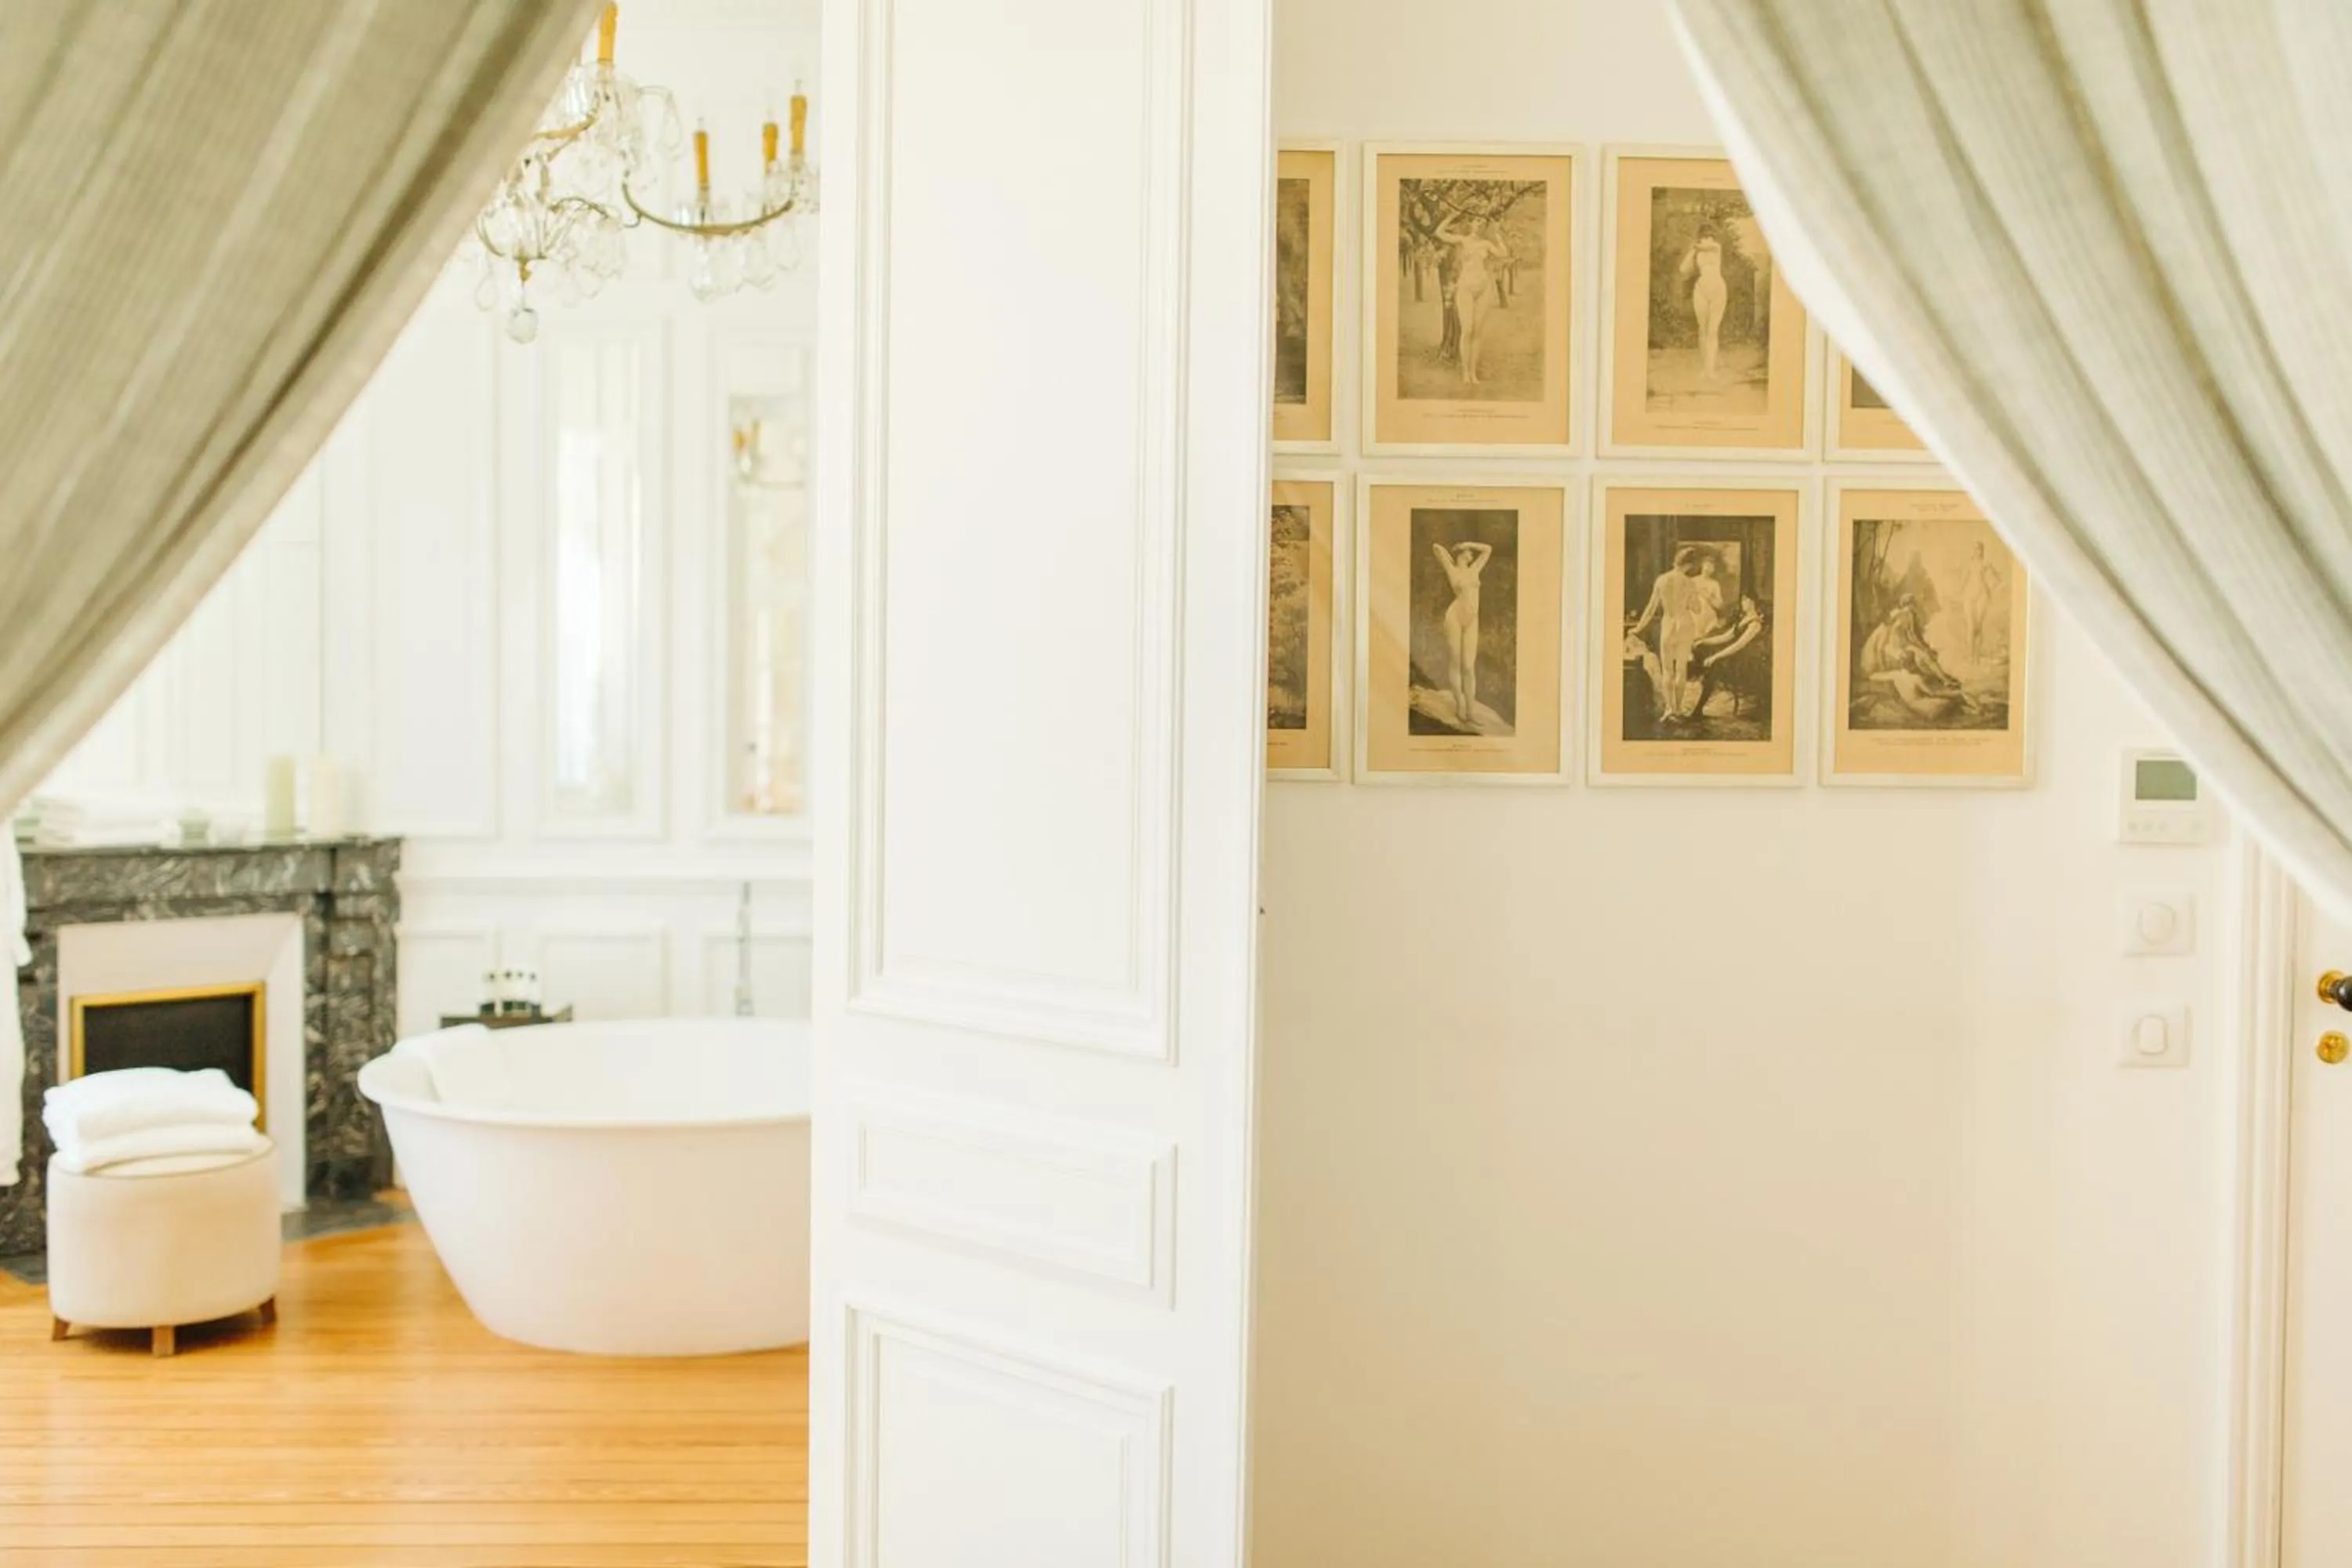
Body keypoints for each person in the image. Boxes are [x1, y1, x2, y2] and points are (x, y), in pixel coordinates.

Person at [1628, 546, 1722, 721]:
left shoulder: (1662, 580)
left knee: (1667, 670)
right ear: (1688, 565)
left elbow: (1650, 609)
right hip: (1686, 625)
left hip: (1669, 624)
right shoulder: (1689, 583)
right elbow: (1697, 608)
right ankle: (1678, 710)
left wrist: (1638, 628)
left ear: (1676, 561)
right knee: (1681, 669)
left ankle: (1668, 709)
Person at [1436, 211, 1510, 390]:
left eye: (1482, 223)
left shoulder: (1486, 243)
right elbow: (1439, 233)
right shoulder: (1463, 240)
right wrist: (1450, 217)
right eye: (1476, 221)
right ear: (1470, 224)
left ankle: (1473, 373)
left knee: (1477, 331)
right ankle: (1465, 372)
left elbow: (1503, 253)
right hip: (1466, 288)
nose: (1479, 225)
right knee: (1467, 329)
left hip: (1484, 288)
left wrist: (1497, 233)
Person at [1432, 539, 1494, 729]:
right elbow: (1437, 547)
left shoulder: (1475, 568)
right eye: (1468, 553)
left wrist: (1469, 544)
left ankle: (1471, 712)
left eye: (1471, 553)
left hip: (1472, 620)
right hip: (1455, 617)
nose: (1471, 555)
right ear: (1460, 554)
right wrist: (1454, 552)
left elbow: (1488, 548)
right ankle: (1460, 707)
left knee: (1469, 666)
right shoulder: (1452, 569)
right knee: (1456, 662)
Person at [1679, 224, 1729, 383]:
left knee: (1713, 331)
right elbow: (1683, 269)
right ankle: (1704, 369)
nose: (1708, 239)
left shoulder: (1716, 247)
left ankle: (1711, 370)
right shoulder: (1697, 251)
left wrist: (1697, 246)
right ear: (1700, 237)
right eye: (1704, 236)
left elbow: (1710, 246)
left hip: (1718, 291)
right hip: (1701, 290)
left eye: (1710, 236)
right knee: (1703, 330)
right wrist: (1693, 252)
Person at [1957, 540, 2002, 670]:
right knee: (1971, 627)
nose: (1978, 551)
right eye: (1976, 549)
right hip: (1969, 595)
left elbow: (1997, 579)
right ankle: (1971, 656)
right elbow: (1963, 581)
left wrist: (1991, 589)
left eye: (1980, 549)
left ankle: (1977, 657)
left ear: (1983, 551)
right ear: (1973, 550)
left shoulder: (1986, 564)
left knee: (1978, 627)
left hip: (1983, 595)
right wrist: (1957, 594)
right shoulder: (1969, 564)